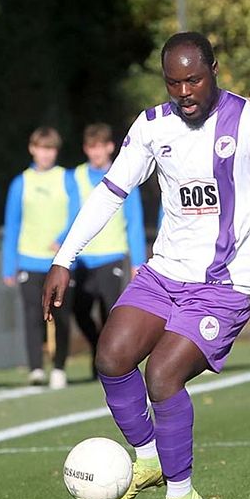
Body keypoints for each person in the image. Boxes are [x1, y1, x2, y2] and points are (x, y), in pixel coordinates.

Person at [43, 32, 250, 499]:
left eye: (194, 79)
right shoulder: (151, 126)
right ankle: (148, 458)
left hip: (226, 284)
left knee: (163, 375)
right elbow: (110, 192)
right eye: (174, 83)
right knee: (111, 357)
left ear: (214, 69)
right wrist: (64, 258)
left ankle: (182, 497)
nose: (185, 91)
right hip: (164, 273)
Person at [2, 127, 79, 387]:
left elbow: (78, 215)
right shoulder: (20, 182)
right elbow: (12, 224)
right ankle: (36, 368)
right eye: (41, 148)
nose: (45, 154)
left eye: (50, 149)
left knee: (62, 316)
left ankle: (59, 367)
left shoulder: (66, 179)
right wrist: (8, 265)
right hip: (28, 259)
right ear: (32, 149)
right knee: (32, 315)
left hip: (60, 262)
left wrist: (62, 240)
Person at [71, 123, 147, 383]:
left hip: (112, 254)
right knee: (79, 311)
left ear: (110, 148)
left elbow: (134, 220)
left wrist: (137, 260)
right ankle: (97, 347)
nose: (96, 153)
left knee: (109, 313)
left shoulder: (123, 173)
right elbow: (72, 214)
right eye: (91, 148)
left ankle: (108, 363)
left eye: (100, 147)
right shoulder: (76, 176)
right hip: (82, 258)